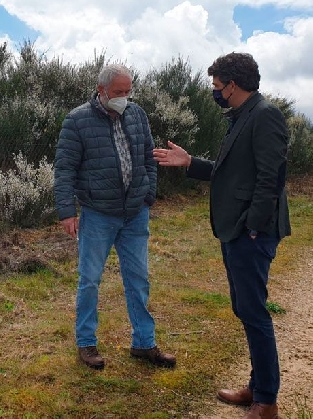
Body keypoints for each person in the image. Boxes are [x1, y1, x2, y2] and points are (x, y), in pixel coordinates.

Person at [153, 52, 289, 419]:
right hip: (238, 230)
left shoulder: (265, 115)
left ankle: (266, 402)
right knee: (246, 309)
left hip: (251, 233)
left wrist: (253, 228)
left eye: (216, 86)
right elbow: (232, 172)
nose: (215, 92)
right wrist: (190, 163)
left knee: (254, 312)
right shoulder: (243, 116)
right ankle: (257, 387)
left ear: (232, 84)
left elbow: (269, 180)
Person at [54, 63, 176, 370]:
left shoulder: (137, 115)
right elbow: (65, 168)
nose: (124, 97)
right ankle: (86, 344)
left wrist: (148, 195)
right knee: (90, 280)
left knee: (138, 279)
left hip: (135, 213)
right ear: (101, 90)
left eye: (128, 91)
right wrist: (67, 212)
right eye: (118, 92)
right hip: (97, 215)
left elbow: (149, 157)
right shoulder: (77, 120)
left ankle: (144, 344)